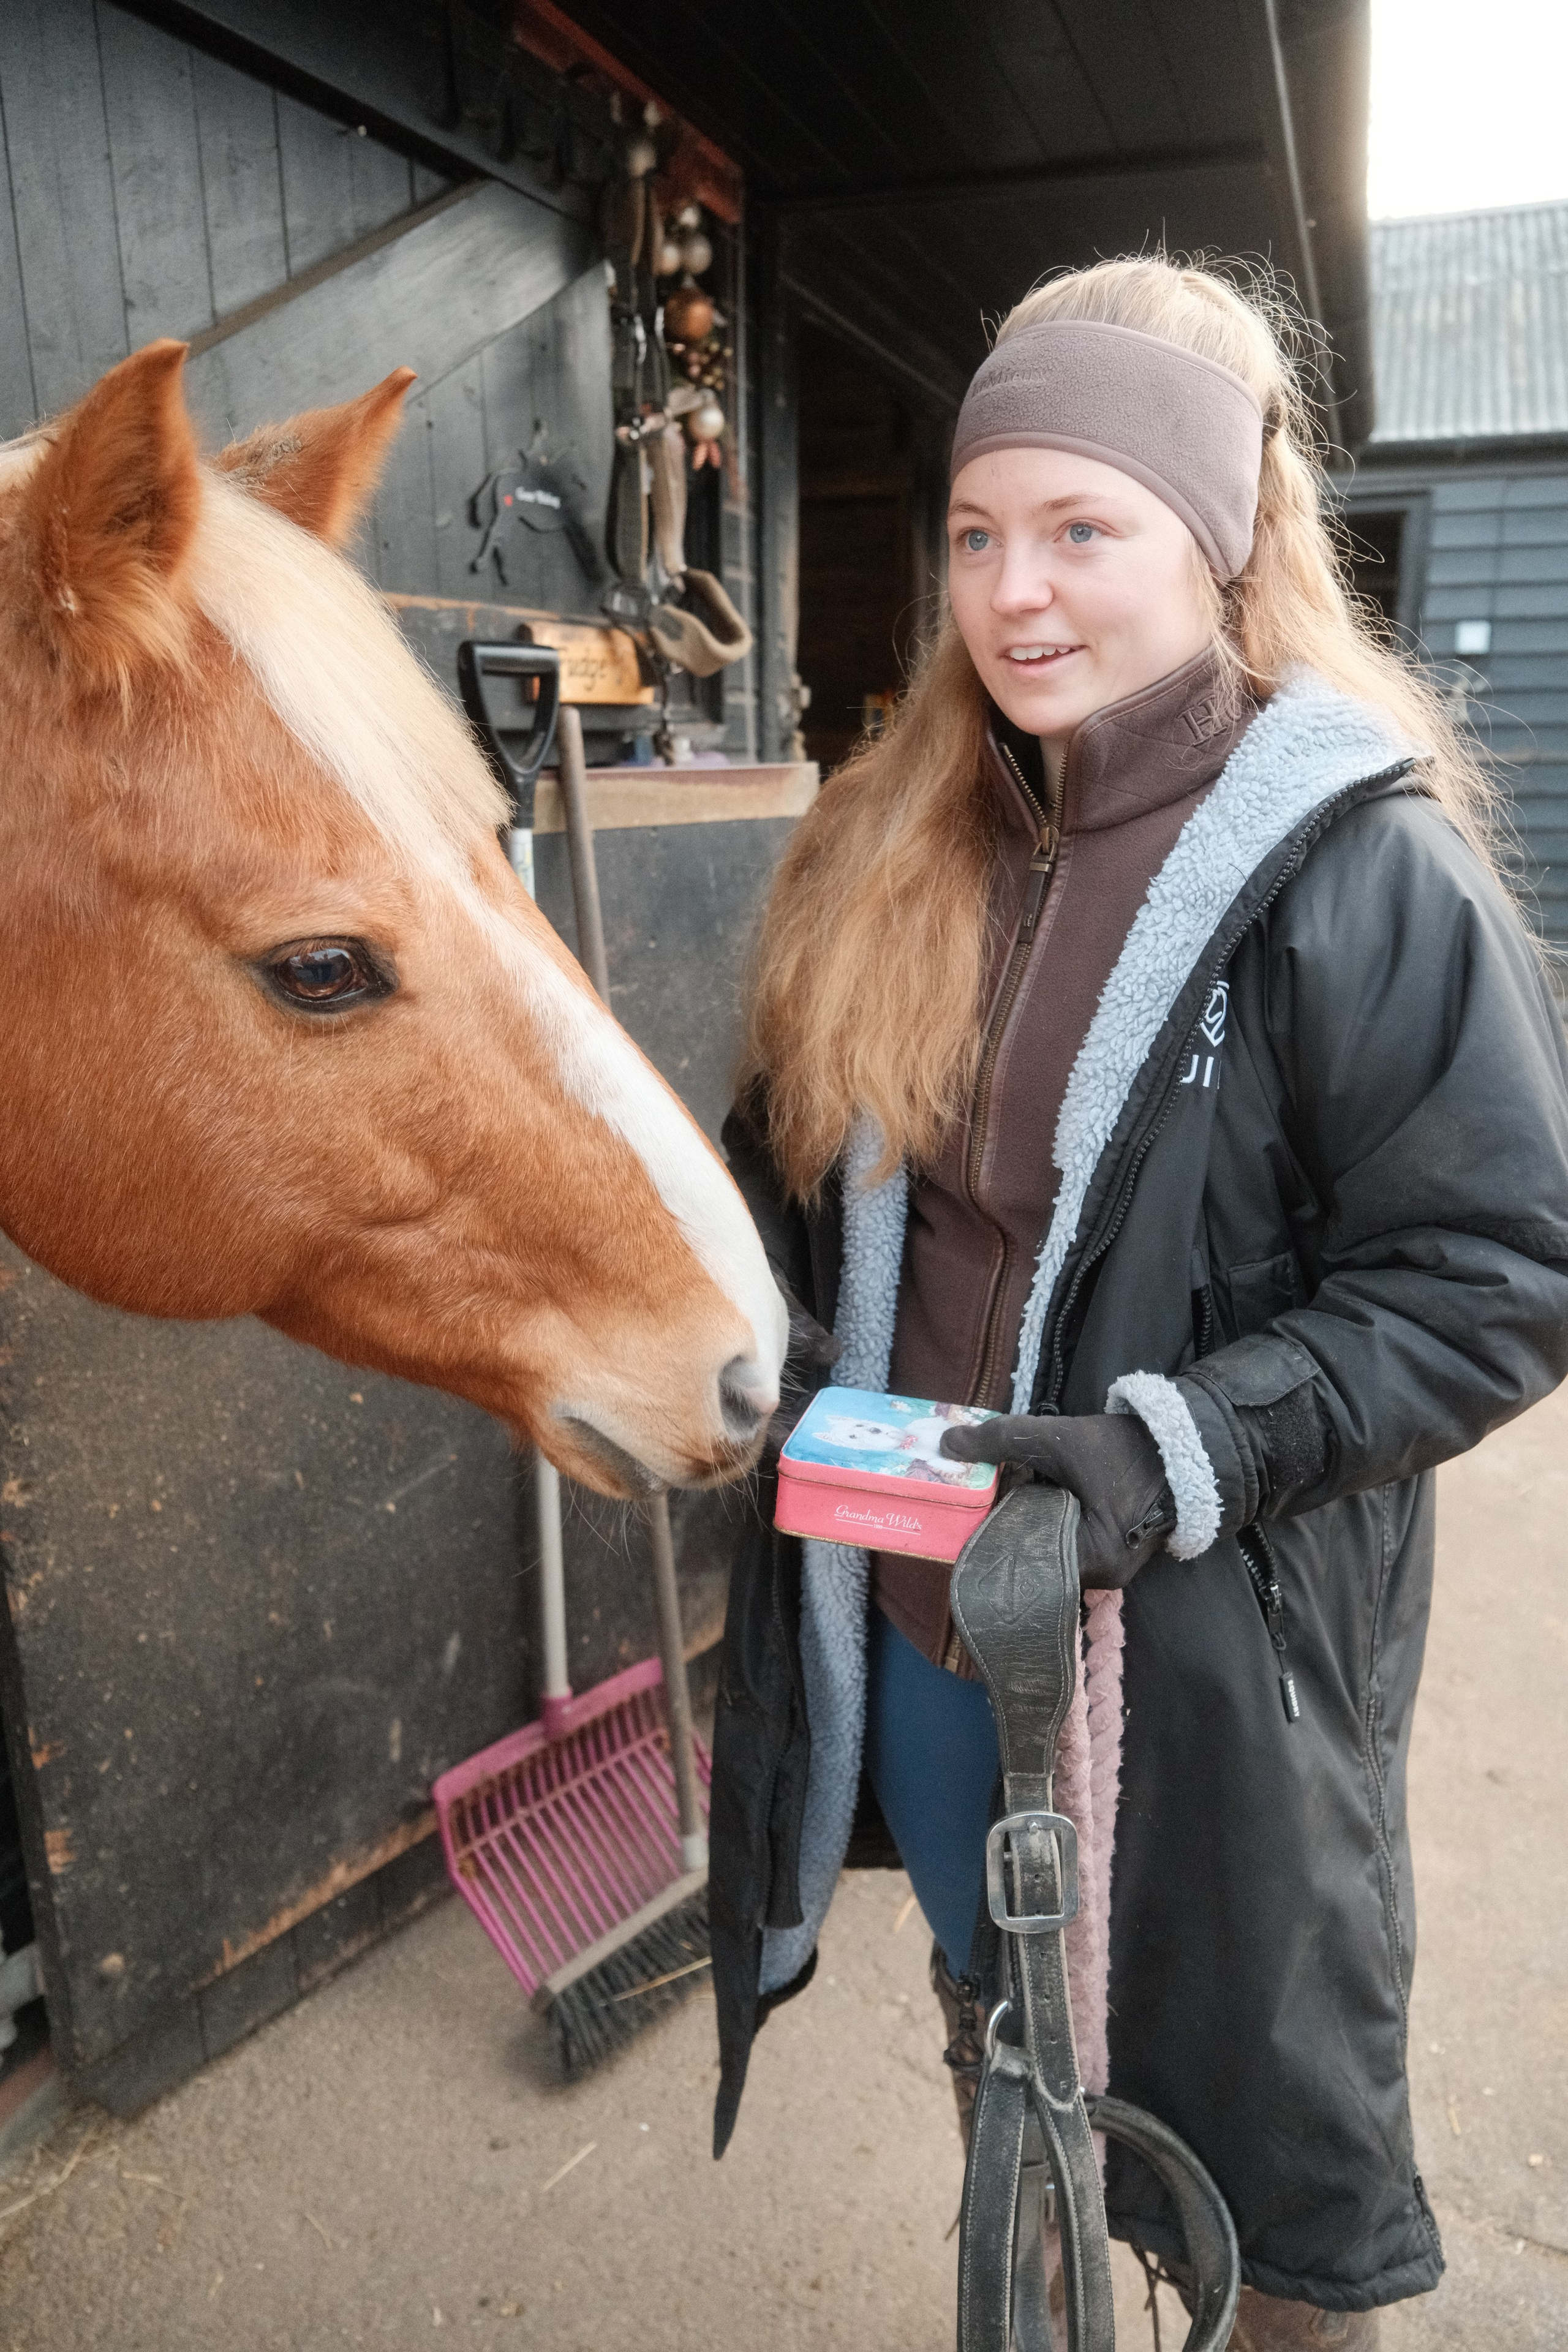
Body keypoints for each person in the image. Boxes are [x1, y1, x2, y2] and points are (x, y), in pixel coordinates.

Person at [708, 256, 1568, 2347]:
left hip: (1202, 1683)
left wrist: (1171, 1452)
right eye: (982, 536)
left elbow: (1495, 1273)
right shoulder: (901, 835)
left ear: (1222, 533)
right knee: (1011, 2068)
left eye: (1082, 530)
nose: (1016, 594)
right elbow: (805, 1187)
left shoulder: (1361, 870)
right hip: (930, 1635)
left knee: (1264, 2183)